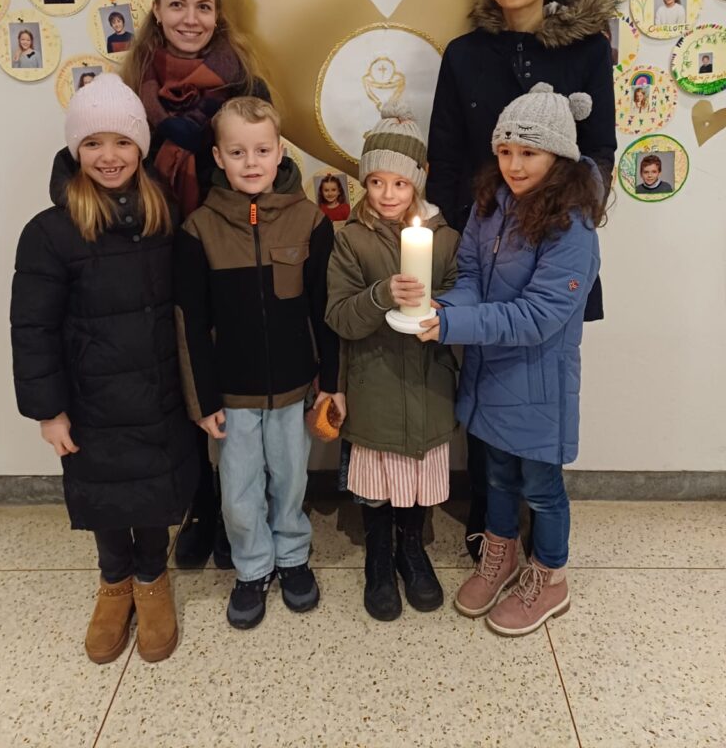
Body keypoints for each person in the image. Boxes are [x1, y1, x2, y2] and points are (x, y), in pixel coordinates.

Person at [426, 0, 616, 555]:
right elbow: (447, 154)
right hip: (484, 246)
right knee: (486, 381)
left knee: (534, 384)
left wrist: (566, 219)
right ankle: (491, 520)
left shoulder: (587, 49)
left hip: (552, 243)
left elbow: (599, 150)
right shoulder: (464, 54)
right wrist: (469, 236)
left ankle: (540, 527)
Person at [10, 74, 198, 664]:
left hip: (157, 389)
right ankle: (115, 580)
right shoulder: (50, 232)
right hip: (91, 399)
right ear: (75, 151)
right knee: (105, 493)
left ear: (141, 147)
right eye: (93, 143)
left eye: (122, 142)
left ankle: (152, 576)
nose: (109, 156)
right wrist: (49, 411)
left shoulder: (163, 215)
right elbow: (32, 328)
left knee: (153, 490)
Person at [418, 83, 604, 636]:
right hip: (491, 374)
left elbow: (537, 316)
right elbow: (472, 278)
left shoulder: (572, 225)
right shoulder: (492, 204)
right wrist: (443, 307)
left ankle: (550, 577)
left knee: (541, 488)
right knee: (496, 477)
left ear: (559, 155)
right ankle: (499, 556)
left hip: (538, 382)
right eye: (505, 151)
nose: (514, 165)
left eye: (528, 152)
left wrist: (454, 326)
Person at [174, 96, 342, 630]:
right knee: (239, 490)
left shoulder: (309, 221)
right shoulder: (199, 229)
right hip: (232, 394)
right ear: (218, 157)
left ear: (280, 152)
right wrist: (203, 401)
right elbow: (189, 324)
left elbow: (325, 309)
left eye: (262, 150)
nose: (251, 162)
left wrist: (331, 381)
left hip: (294, 389)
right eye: (238, 152)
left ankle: (292, 556)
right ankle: (252, 567)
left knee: (290, 480)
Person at [124, 0, 267, 572]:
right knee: (180, 375)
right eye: (177, 4)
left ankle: (238, 508)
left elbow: (271, 170)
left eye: (203, 6)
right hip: (159, 251)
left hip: (228, 253)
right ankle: (200, 505)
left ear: (218, 15)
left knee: (227, 379)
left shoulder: (245, 85)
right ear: (157, 11)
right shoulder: (133, 90)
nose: (190, 18)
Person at [325, 102, 459, 621]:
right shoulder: (351, 240)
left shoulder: (445, 239)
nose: (387, 194)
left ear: (418, 182)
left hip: (427, 384)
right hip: (375, 381)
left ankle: (412, 549)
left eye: (400, 183)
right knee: (378, 483)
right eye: (377, 182)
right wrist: (382, 294)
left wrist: (442, 311)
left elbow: (460, 296)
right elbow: (340, 315)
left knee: (418, 479)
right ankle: (378, 557)